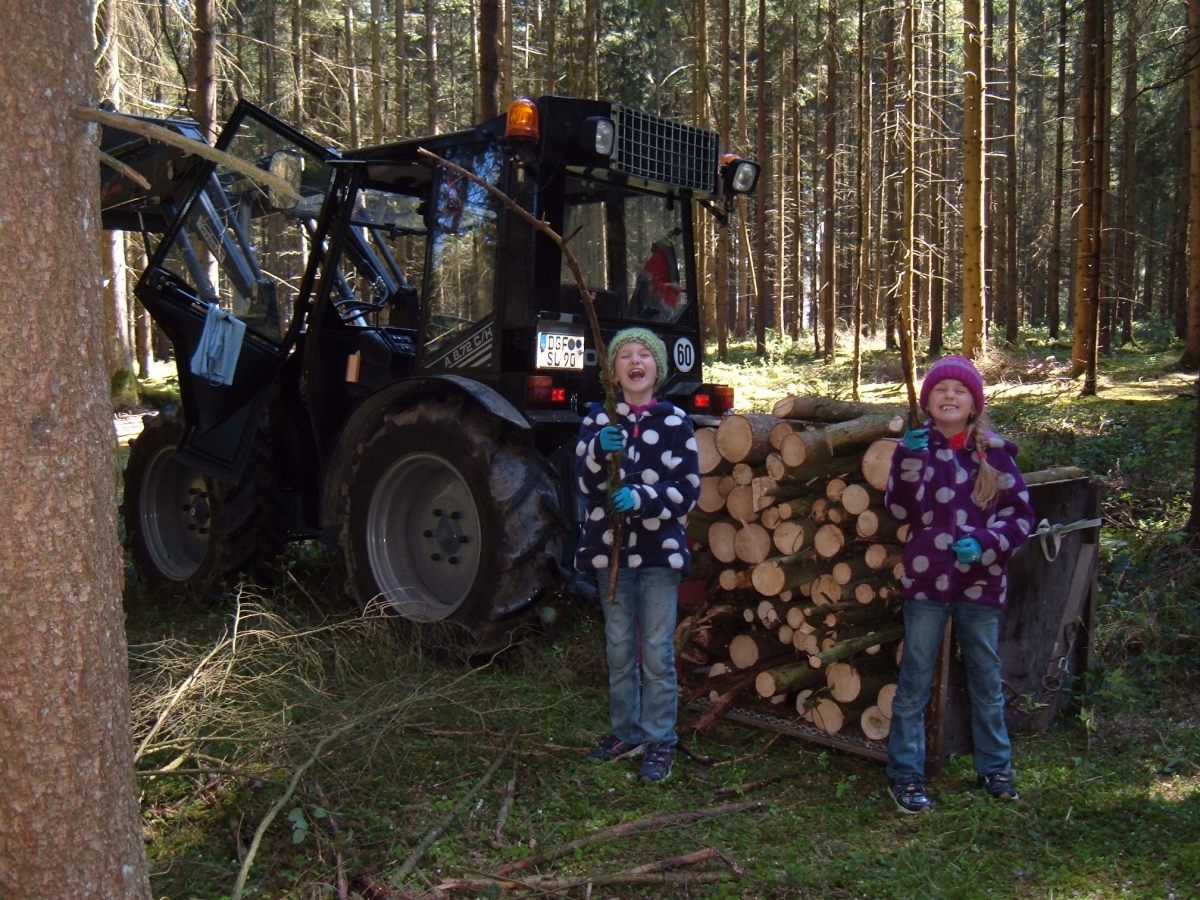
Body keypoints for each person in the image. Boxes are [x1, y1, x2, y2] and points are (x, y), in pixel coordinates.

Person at [883, 355, 1035, 813]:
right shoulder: (916, 446)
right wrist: (908, 459)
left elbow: (1021, 516)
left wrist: (986, 544)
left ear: (974, 404)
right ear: (927, 401)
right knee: (914, 679)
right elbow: (899, 510)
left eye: (960, 391)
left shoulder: (996, 452)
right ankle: (905, 774)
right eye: (940, 390)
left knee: (985, 678)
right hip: (926, 585)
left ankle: (995, 768)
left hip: (980, 586)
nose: (949, 396)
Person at [573, 327, 701, 784]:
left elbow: (686, 490)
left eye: (643, 354)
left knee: (656, 649)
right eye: (624, 355)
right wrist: (596, 453)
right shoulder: (599, 422)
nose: (634, 361)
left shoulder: (675, 422)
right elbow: (587, 487)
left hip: (658, 555)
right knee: (620, 646)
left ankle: (660, 737)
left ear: (657, 369)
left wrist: (642, 497)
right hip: (612, 557)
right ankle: (624, 730)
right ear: (613, 372)